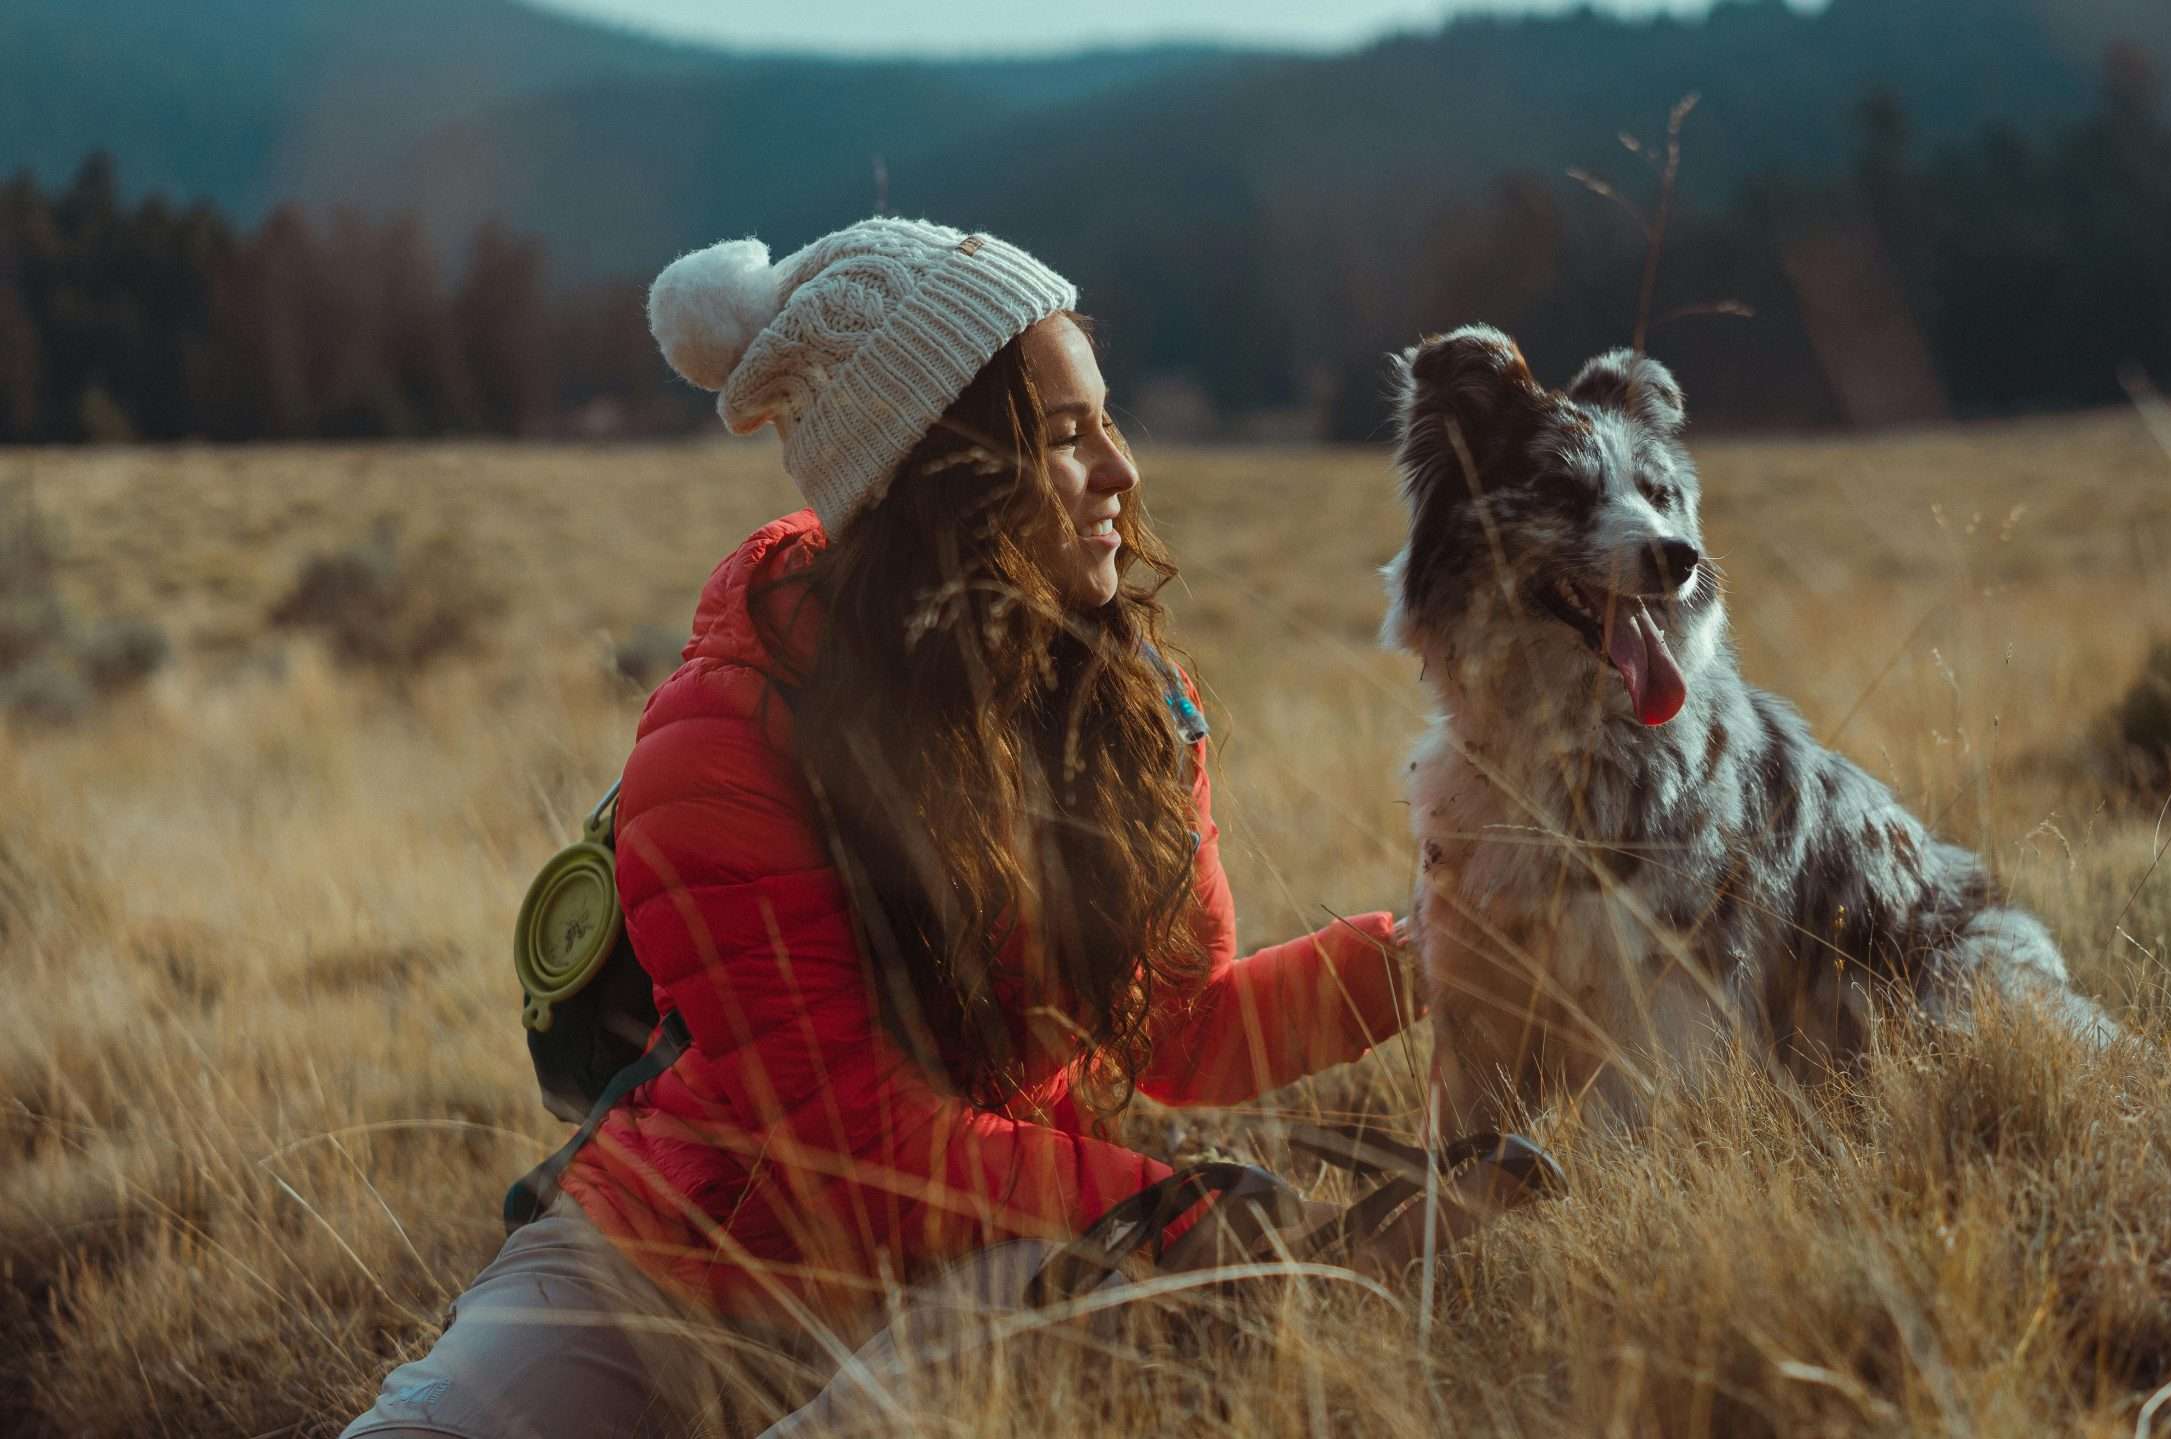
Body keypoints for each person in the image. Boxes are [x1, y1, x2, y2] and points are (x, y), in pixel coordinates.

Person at [340, 218, 1423, 1438]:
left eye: (1107, 421)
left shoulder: (1132, 712)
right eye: (1064, 436)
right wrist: (1176, 1209)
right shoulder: (719, 742)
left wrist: (1422, 959)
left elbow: (1182, 1025)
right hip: (666, 1262)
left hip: (966, 1259)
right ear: (933, 474)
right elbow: (859, 1148)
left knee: (1059, 1294)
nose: (1121, 470)